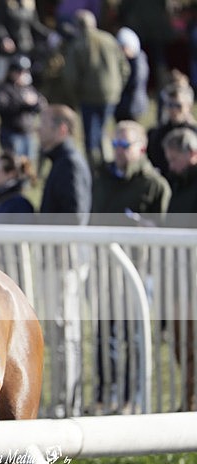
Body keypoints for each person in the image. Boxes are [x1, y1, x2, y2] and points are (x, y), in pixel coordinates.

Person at [91, 120, 170, 411]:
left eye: (125, 146)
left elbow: (166, 229)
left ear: (141, 148)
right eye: (115, 145)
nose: (119, 152)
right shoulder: (102, 177)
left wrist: (146, 226)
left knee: (134, 337)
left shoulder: (154, 184)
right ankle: (103, 396)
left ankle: (131, 399)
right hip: (104, 268)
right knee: (103, 336)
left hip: (138, 270)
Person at [37, 104, 91, 417]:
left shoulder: (70, 163)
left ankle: (67, 404)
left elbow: (76, 217)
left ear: (61, 129)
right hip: (57, 261)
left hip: (65, 263)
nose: (37, 130)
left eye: (43, 124)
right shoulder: (61, 161)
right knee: (58, 332)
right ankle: (61, 400)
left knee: (65, 332)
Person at [61, 9, 129, 168]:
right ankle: (105, 162)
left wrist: (74, 97)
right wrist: (117, 87)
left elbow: (70, 76)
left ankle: (95, 169)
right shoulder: (109, 39)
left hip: (89, 96)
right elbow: (125, 69)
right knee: (103, 130)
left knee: (91, 136)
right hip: (111, 94)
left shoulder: (78, 44)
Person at [162, 127, 197, 410]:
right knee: (180, 344)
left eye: (175, 159)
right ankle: (188, 400)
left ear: (191, 153)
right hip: (178, 276)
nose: (171, 165)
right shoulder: (179, 183)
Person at [0, 54, 47, 164]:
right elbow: (3, 107)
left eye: (25, 72)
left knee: (27, 166)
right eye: (19, 71)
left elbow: (42, 104)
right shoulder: (4, 89)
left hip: (28, 133)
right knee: (14, 165)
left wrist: (34, 103)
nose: (22, 75)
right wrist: (24, 103)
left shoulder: (28, 88)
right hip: (11, 133)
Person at [147, 82, 197, 180]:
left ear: (189, 106)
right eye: (169, 105)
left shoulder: (194, 133)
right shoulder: (157, 133)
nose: (173, 110)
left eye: (178, 106)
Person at [113, 27, 149, 123]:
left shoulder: (138, 61)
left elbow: (136, 81)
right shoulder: (125, 61)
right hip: (123, 105)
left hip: (132, 106)